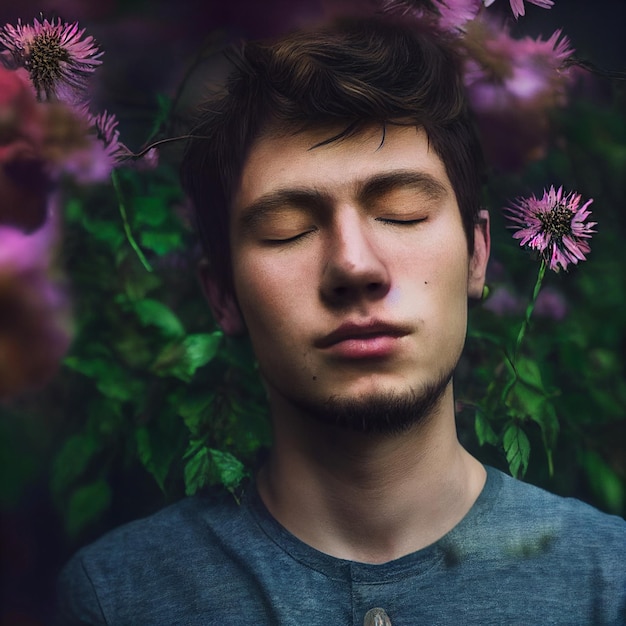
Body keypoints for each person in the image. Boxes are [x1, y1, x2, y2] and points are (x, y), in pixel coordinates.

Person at [57, 14, 626, 625]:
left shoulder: (607, 585)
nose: (354, 265)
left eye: (403, 212)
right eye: (288, 229)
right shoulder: (114, 600)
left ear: (477, 254)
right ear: (221, 294)